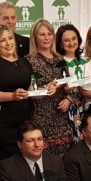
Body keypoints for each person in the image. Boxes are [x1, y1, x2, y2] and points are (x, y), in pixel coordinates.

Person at [0, 25, 34, 164]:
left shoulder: (24, 62)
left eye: (10, 38)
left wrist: (47, 90)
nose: (8, 43)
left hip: (23, 125)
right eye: (3, 40)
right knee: (1, 166)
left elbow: (31, 91)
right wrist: (12, 96)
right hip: (0, 125)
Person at [26, 19, 75, 154]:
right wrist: (46, 90)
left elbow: (69, 87)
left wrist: (68, 99)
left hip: (62, 120)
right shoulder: (29, 61)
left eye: (49, 34)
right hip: (40, 120)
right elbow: (29, 92)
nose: (47, 38)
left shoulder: (60, 59)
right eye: (42, 34)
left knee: (64, 160)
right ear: (34, 37)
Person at [56, 24, 86, 142]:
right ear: (60, 43)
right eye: (66, 40)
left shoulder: (87, 60)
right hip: (67, 108)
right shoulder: (58, 62)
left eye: (74, 38)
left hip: (86, 105)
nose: (71, 43)